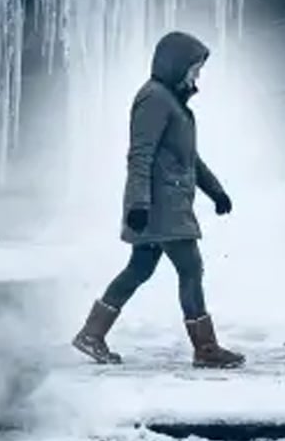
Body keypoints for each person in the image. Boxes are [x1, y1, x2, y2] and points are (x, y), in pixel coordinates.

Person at [72, 31, 245, 369]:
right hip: (159, 207)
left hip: (164, 205)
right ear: (176, 65)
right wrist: (139, 204)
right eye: (194, 68)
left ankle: (92, 334)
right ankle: (206, 348)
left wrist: (217, 191)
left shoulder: (171, 101)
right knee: (191, 267)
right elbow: (140, 154)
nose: (197, 76)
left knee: (139, 268)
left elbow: (189, 159)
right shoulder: (154, 99)